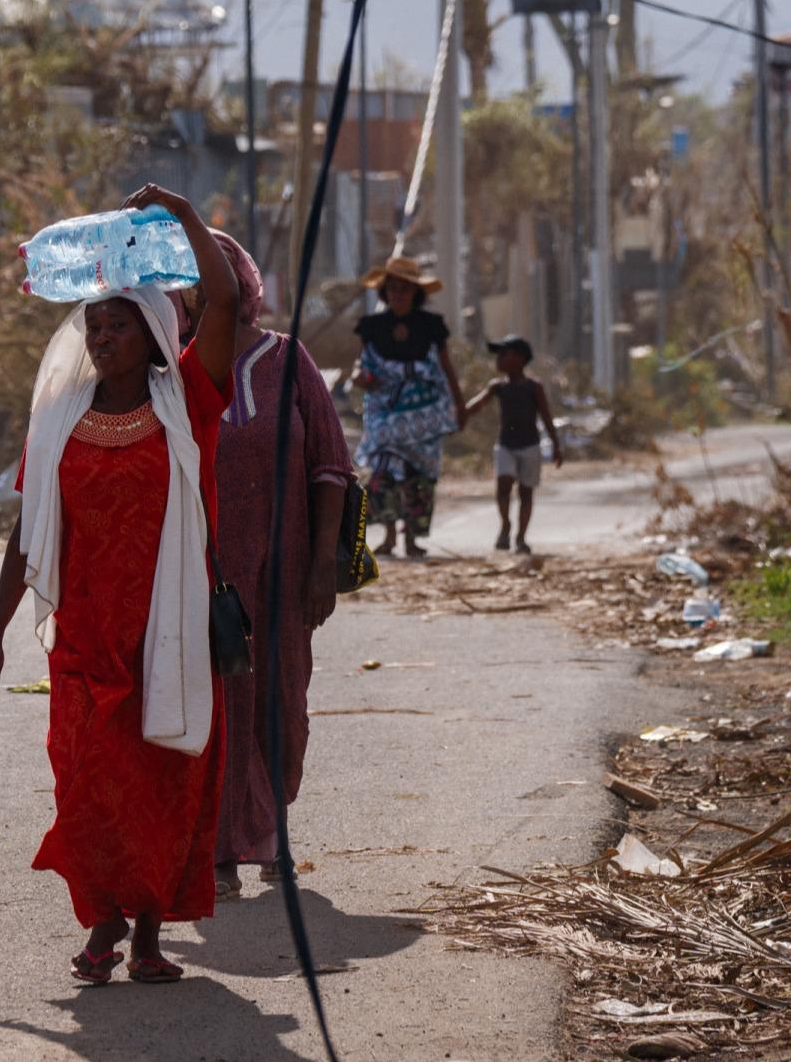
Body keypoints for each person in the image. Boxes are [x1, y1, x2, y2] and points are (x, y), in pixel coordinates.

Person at [0, 184, 242, 987]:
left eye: (118, 323)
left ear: (153, 334)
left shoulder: (188, 401)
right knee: (87, 779)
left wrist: (184, 213)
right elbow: (29, 531)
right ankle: (105, 921)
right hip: (86, 637)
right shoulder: (58, 419)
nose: (102, 336)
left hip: (169, 628)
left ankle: (150, 931)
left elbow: (221, 296)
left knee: (161, 777)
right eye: (94, 324)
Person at [184, 230, 354, 896]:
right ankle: (224, 850)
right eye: (198, 280)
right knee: (222, 705)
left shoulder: (289, 359)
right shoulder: (176, 370)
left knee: (284, 701)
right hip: (211, 575)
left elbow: (332, 467)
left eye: (219, 277)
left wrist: (320, 566)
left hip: (286, 572)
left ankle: (274, 828)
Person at [352, 256, 464, 559]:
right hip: (384, 413)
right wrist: (361, 378)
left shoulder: (431, 325)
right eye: (393, 288)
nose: (399, 293)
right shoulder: (372, 326)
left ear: (416, 292)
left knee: (420, 477)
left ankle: (412, 538)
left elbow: (445, 366)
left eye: (405, 288)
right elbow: (362, 365)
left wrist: (459, 405)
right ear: (384, 292)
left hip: (425, 414)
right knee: (383, 474)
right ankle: (388, 537)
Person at [464, 335, 563, 554]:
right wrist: (459, 414)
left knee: (526, 492)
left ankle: (521, 537)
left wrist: (556, 445)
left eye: (503, 354)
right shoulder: (497, 387)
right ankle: (505, 526)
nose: (498, 359)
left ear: (519, 359)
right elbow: (477, 404)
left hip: (530, 445)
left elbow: (546, 417)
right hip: (506, 445)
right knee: (503, 486)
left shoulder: (533, 387)